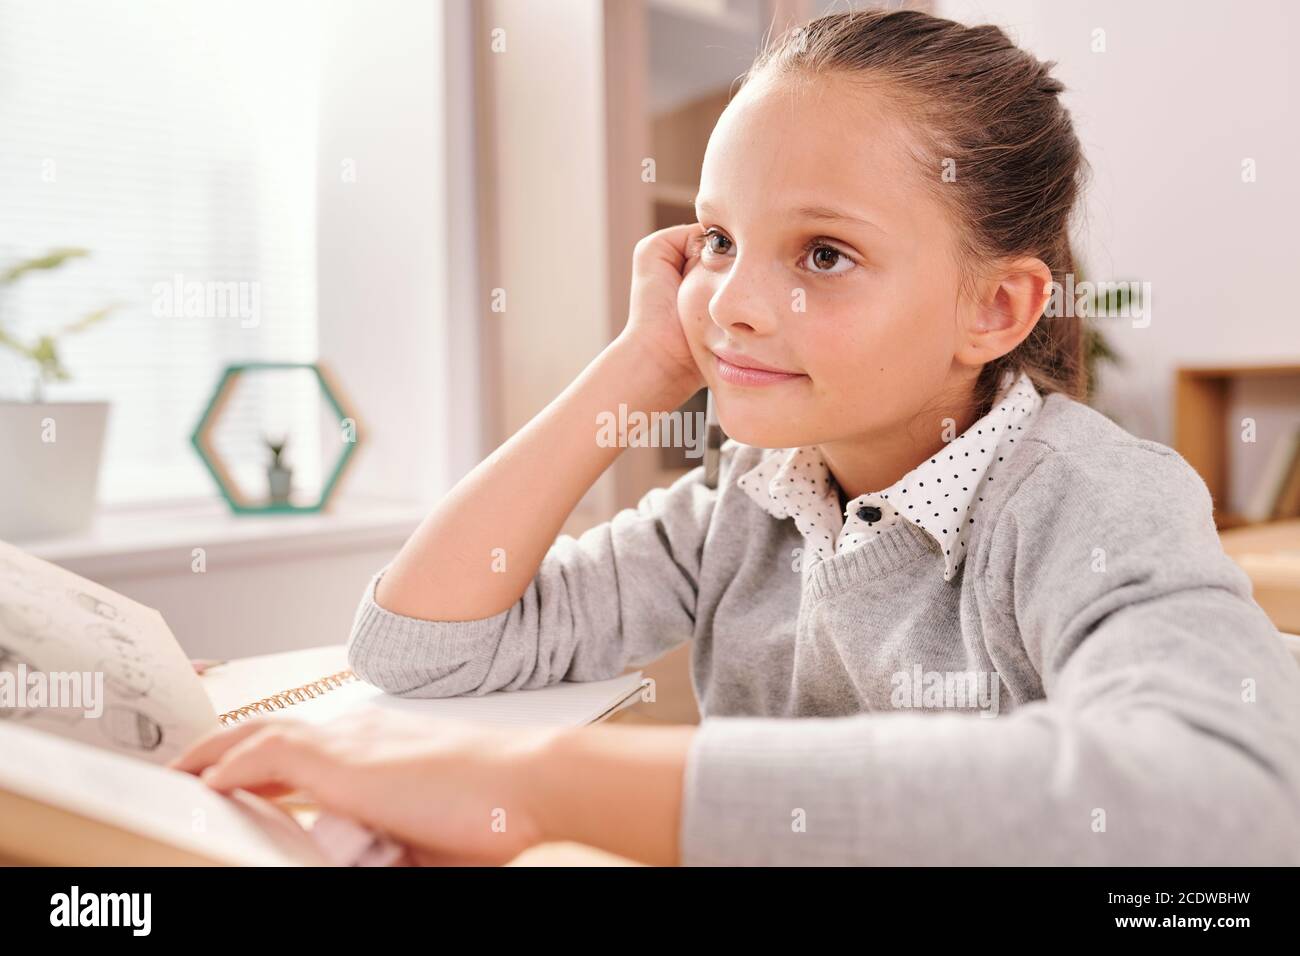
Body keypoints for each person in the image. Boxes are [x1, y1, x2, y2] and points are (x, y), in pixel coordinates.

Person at [172, 8, 1300, 866]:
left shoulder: (1093, 500)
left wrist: (550, 780)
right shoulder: (747, 499)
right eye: (715, 237)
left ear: (994, 310)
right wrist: (638, 364)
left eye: (821, 254)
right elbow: (421, 648)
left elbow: (1219, 795)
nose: (732, 302)